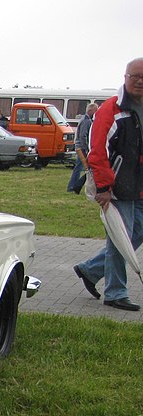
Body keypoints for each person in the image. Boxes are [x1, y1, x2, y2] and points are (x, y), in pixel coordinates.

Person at [72, 57, 143, 312]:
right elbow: (97, 150)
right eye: (135, 76)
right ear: (125, 77)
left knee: (135, 233)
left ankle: (90, 270)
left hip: (139, 185)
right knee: (119, 237)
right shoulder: (110, 110)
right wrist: (103, 187)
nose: (140, 81)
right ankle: (115, 292)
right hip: (117, 186)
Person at [67, 102, 98, 193]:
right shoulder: (86, 121)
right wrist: (86, 149)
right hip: (82, 148)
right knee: (82, 167)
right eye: (95, 111)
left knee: (80, 167)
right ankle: (73, 186)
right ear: (90, 111)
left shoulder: (84, 119)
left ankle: (74, 186)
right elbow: (83, 136)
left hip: (80, 147)